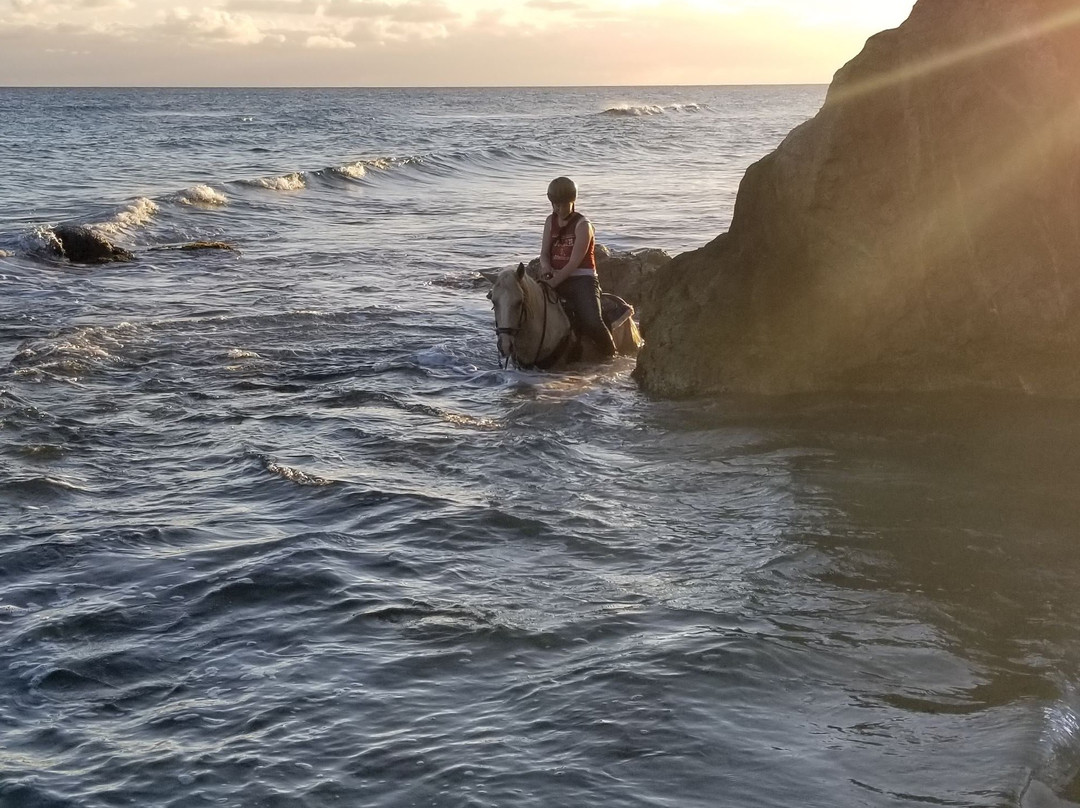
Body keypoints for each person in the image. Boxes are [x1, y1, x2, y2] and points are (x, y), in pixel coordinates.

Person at [538, 176, 617, 359]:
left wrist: (555, 282)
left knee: (592, 321)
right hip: (555, 276)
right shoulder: (550, 221)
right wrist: (547, 267)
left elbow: (574, 263)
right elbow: (544, 253)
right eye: (555, 205)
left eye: (562, 205)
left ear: (572, 201)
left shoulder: (583, 225)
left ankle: (611, 356)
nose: (558, 209)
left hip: (582, 279)